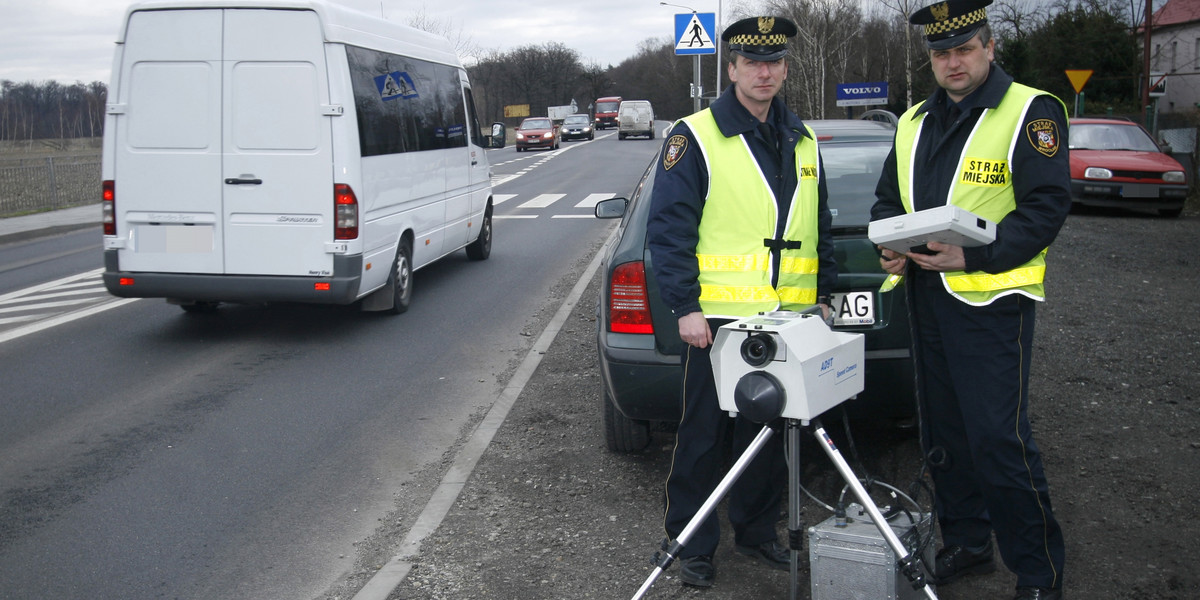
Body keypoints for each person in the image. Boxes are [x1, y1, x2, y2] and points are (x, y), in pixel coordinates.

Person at [870, 1, 1068, 599]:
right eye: (940, 53)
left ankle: (1039, 571)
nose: (952, 63)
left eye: (963, 50)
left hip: (991, 305)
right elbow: (887, 201)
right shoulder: (912, 122)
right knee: (945, 434)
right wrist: (890, 245)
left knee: (998, 439)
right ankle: (967, 541)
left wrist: (975, 255)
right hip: (925, 297)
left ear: (988, 47)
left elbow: (1046, 208)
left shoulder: (1030, 111)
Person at [646, 15, 836, 588]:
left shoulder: (800, 137)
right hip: (718, 319)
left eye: (774, 62)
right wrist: (683, 306)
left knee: (772, 435)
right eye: (753, 61)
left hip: (789, 317)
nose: (765, 72)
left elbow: (816, 225)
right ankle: (691, 542)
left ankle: (756, 532)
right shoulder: (696, 135)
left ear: (785, 68)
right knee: (704, 435)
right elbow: (669, 229)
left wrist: (822, 296)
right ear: (731, 69)